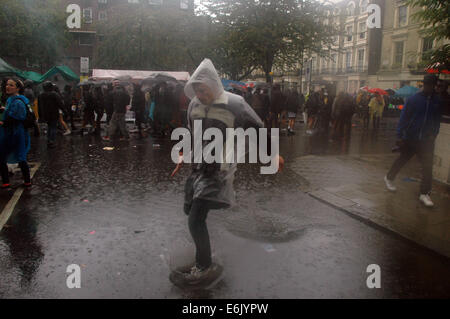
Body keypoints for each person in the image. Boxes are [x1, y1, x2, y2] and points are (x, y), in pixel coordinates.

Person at [169, 59, 284, 288]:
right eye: (196, 90)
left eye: (203, 89)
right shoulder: (194, 106)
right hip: (199, 166)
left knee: (195, 220)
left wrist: (272, 154)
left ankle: (204, 265)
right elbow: (192, 134)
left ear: (213, 85)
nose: (200, 94)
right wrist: (183, 153)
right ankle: (204, 255)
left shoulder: (235, 104)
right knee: (188, 209)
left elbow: (257, 128)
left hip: (219, 170)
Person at [384, 75, 441, 207]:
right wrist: (399, 136)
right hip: (411, 137)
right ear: (424, 85)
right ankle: (389, 177)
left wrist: (434, 133)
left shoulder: (436, 101)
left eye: (433, 86)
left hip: (426, 140)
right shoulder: (413, 100)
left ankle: (424, 193)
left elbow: (436, 120)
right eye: (428, 85)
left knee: (427, 166)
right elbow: (404, 118)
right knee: (402, 160)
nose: (430, 88)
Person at [0, 78, 31, 188]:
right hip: (12, 132)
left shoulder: (18, 101)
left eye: (11, 85)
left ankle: (9, 182)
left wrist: (2, 122)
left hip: (16, 133)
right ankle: (24, 181)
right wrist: (4, 109)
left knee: (19, 156)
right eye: (7, 85)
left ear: (18, 88)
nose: (7, 87)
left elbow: (16, 118)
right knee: (15, 156)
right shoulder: (11, 100)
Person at [38, 81, 64, 148]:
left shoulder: (40, 95)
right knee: (53, 127)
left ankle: (49, 140)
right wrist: (65, 111)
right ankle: (52, 141)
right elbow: (60, 104)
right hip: (54, 114)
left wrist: (40, 115)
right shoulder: (54, 94)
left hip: (45, 115)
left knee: (49, 127)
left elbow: (39, 106)